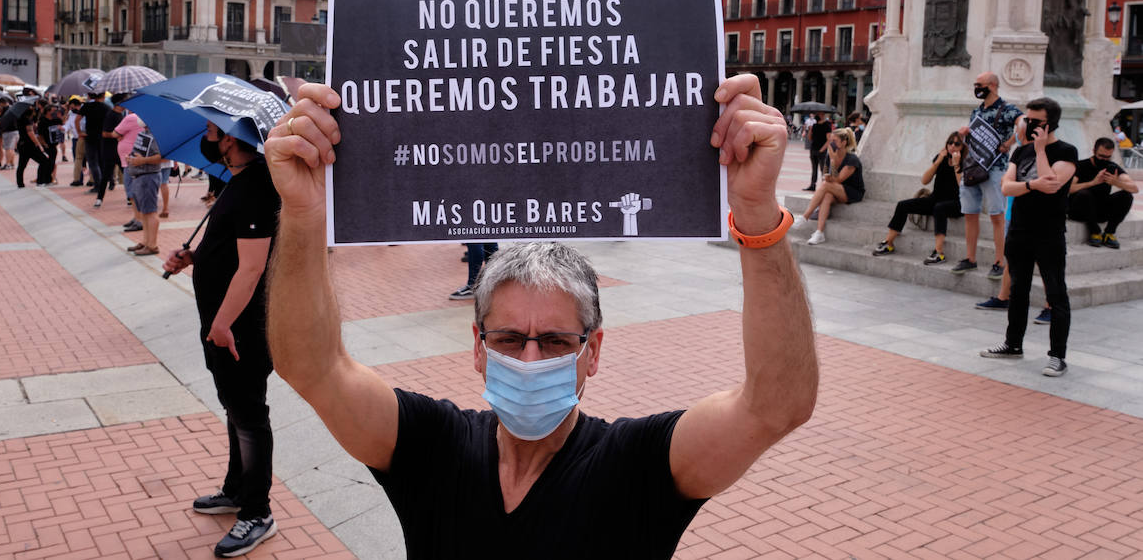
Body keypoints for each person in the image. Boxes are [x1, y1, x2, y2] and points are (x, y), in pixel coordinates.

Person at [259, 78, 817, 558]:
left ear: (591, 351)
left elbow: (776, 405)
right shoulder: (432, 447)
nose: (528, 359)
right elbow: (313, 367)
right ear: (477, 346)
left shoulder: (637, 467)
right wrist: (304, 214)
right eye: (507, 338)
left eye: (553, 341)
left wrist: (757, 215)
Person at [162, 121, 281, 558]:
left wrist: (223, 323)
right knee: (235, 408)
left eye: (213, 131)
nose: (208, 138)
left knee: (249, 415)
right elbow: (231, 251)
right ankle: (236, 490)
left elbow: (252, 268)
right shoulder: (239, 182)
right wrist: (194, 257)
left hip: (239, 330)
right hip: (223, 326)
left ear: (230, 138)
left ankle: (258, 512)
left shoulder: (255, 188)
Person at [980, 97, 1077, 377]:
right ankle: (1013, 345)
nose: (1029, 125)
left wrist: (1040, 151)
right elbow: (1006, 188)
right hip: (1020, 231)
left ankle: (1057, 356)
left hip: (1049, 233)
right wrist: (1032, 183)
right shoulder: (1020, 153)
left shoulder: (1066, 152)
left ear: (1051, 123)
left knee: (1056, 292)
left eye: (1036, 121)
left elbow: (1054, 187)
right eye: (1027, 119)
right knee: (1018, 290)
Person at [953, 72, 1021, 280]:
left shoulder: (1008, 109)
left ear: (992, 85)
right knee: (970, 213)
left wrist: (1009, 144)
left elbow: (1024, 124)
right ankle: (970, 258)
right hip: (973, 166)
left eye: (979, 84)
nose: (976, 88)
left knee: (997, 216)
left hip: (995, 167)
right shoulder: (976, 111)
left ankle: (1000, 261)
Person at [872, 131, 964, 263]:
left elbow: (962, 185)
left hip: (957, 203)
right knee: (903, 205)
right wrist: (937, 162)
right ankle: (888, 243)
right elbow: (925, 181)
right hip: (935, 198)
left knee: (939, 208)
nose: (952, 146)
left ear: (962, 147)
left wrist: (957, 164)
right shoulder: (941, 159)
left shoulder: (966, 161)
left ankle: (939, 253)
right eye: (950, 142)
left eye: (956, 144)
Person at [794, 126, 863, 245]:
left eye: (834, 141)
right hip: (835, 189)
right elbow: (826, 177)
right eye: (831, 141)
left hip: (853, 192)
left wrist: (834, 162)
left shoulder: (852, 160)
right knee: (827, 196)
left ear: (844, 142)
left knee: (827, 186)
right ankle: (819, 233)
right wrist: (831, 161)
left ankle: (805, 216)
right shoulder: (829, 157)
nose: (831, 144)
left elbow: (838, 180)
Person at [1068, 137, 1137, 249]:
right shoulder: (1081, 165)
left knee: (1126, 195)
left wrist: (1116, 182)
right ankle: (1094, 232)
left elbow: (1134, 188)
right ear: (1094, 151)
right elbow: (1068, 189)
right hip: (1080, 209)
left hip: (1100, 210)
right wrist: (1093, 183)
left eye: (1108, 157)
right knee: (1084, 194)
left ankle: (1109, 233)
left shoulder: (1112, 167)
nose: (1104, 159)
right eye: (1101, 156)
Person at [123, 122, 163, 257]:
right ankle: (146, 241)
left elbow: (161, 157)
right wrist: (132, 159)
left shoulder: (156, 135)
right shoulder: (144, 133)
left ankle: (152, 245)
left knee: (150, 211)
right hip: (139, 176)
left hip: (148, 176)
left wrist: (143, 161)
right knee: (144, 212)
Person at [15, 103, 52, 189]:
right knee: (44, 160)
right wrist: (39, 145)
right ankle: (40, 181)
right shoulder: (27, 121)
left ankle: (20, 183)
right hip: (29, 145)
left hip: (22, 144)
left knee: (22, 164)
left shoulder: (20, 119)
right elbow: (30, 133)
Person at [803, 111, 832, 191]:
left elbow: (829, 139)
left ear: (822, 115)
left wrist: (822, 149)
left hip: (821, 150)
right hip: (813, 149)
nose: (817, 115)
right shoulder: (814, 125)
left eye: (819, 114)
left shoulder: (827, 125)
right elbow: (810, 138)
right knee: (814, 168)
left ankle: (824, 186)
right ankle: (813, 185)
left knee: (823, 169)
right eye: (817, 114)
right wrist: (810, 130)